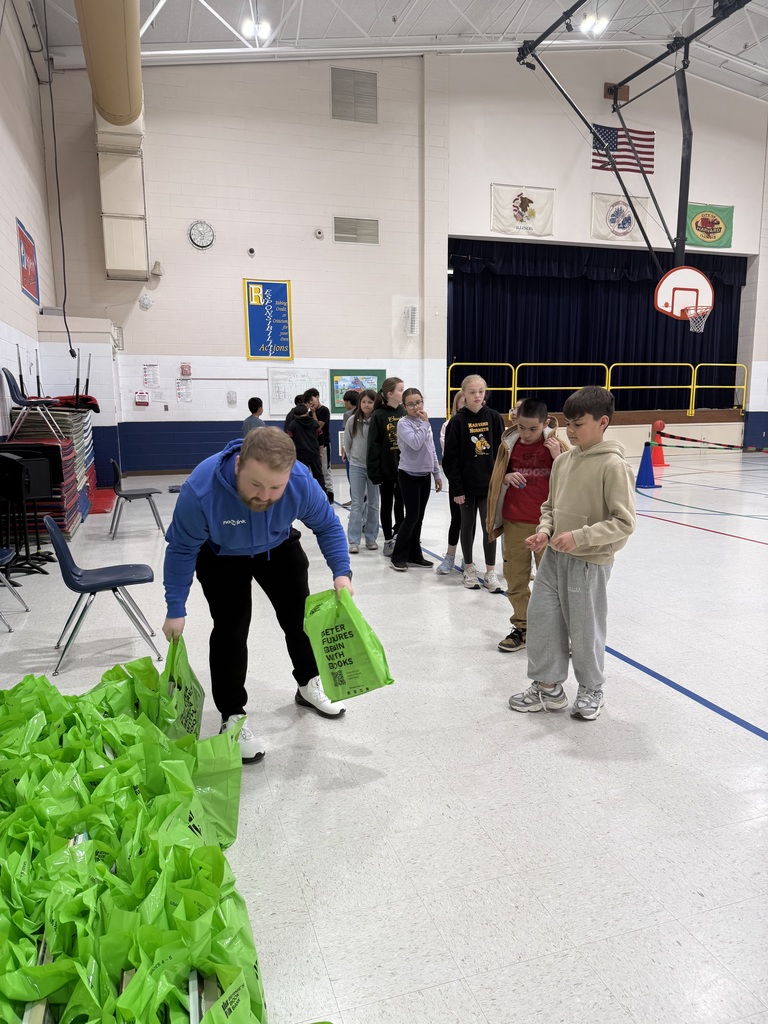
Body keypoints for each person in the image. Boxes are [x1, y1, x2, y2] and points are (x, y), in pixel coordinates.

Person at [162, 427, 353, 763]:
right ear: (238, 466)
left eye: (275, 487)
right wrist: (175, 607)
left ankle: (308, 685)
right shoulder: (201, 490)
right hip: (220, 555)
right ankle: (232, 715)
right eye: (255, 485)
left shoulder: (300, 483)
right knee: (231, 630)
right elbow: (180, 550)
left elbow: (327, 525)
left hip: (277, 546)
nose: (265, 496)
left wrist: (342, 573)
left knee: (300, 620)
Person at [508, 386, 636, 721]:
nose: (570, 430)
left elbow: (624, 522)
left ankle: (592, 688)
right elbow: (550, 507)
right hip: (553, 558)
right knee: (543, 619)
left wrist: (580, 537)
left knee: (584, 628)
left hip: (589, 562)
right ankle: (548, 686)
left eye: (578, 424)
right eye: (568, 423)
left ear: (602, 422)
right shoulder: (563, 461)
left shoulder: (613, 465)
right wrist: (544, 531)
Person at [486, 398, 568, 652]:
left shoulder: (557, 447)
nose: (526, 434)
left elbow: (572, 480)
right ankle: (522, 627)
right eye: (522, 427)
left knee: (551, 582)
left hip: (547, 525)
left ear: (545, 424)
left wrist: (558, 458)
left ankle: (557, 631)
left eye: (533, 429)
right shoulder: (508, 445)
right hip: (515, 522)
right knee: (516, 578)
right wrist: (506, 477)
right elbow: (497, 475)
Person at [441, 374, 504, 592]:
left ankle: (490, 571)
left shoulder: (494, 417)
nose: (477, 396)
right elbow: (449, 460)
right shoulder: (457, 421)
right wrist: (457, 488)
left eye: (481, 391)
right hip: (465, 489)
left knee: (490, 529)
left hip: (488, 487)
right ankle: (468, 568)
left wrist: (501, 481)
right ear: (464, 395)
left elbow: (501, 454)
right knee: (467, 527)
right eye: (472, 392)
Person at [390, 388, 442, 571]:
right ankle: (398, 556)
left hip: (424, 475)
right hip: (408, 474)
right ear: (404, 406)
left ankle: (415, 555)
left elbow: (431, 449)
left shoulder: (423, 423)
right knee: (411, 516)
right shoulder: (403, 423)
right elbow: (415, 443)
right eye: (411, 404)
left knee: (419, 518)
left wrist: (436, 473)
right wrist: (425, 424)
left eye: (418, 402)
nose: (415, 407)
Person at [367, 376, 405, 557]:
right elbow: (373, 445)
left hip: (404, 468)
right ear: (390, 393)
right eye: (400, 390)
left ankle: (399, 534)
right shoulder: (378, 415)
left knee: (401, 503)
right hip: (386, 468)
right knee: (387, 504)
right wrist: (375, 471)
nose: (402, 393)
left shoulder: (404, 412)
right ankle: (388, 539)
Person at [343, 389, 379, 553]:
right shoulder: (352, 420)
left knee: (373, 503)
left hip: (374, 468)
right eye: (364, 402)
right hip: (357, 466)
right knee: (357, 503)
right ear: (360, 403)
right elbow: (347, 444)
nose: (366, 405)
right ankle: (354, 540)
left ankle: (371, 538)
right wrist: (353, 460)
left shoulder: (377, 420)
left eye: (370, 402)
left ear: (375, 403)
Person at [436, 390, 466, 575]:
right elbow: (449, 454)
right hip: (457, 481)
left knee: (471, 524)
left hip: (477, 481)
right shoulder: (449, 425)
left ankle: (468, 559)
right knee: (457, 520)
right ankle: (450, 557)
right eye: (462, 403)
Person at [286, 402, 325, 490]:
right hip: (314, 453)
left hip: (300, 455)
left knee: (301, 476)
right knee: (318, 475)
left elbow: (289, 441)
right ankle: (322, 494)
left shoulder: (292, 425)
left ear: (295, 415)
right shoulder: (315, 423)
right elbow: (321, 439)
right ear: (307, 412)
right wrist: (321, 454)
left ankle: (303, 493)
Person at [304, 388, 333, 503]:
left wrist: (314, 413)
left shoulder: (324, 410)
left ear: (317, 397)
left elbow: (318, 427)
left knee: (325, 470)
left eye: (312, 400)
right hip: (313, 446)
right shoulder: (309, 413)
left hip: (324, 444)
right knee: (315, 471)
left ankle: (330, 494)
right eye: (308, 402)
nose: (311, 403)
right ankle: (318, 495)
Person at [340, 390, 359, 508]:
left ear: (349, 402)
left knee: (351, 475)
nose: (344, 404)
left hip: (352, 449)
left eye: (345, 401)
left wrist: (344, 450)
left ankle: (354, 499)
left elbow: (346, 434)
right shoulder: (364, 413)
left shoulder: (348, 415)